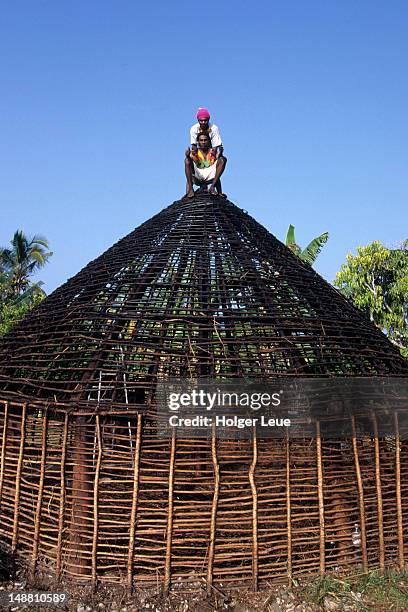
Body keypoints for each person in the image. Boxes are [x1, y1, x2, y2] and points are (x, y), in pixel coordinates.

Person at [185, 132, 227, 197]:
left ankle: (212, 187)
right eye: (201, 140)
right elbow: (190, 163)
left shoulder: (213, 152)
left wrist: (221, 153)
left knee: (222, 159)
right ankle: (190, 189)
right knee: (187, 161)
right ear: (198, 142)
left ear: (208, 141)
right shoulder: (194, 152)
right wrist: (188, 156)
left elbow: (219, 160)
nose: (203, 142)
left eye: (205, 140)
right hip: (197, 175)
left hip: (211, 175)